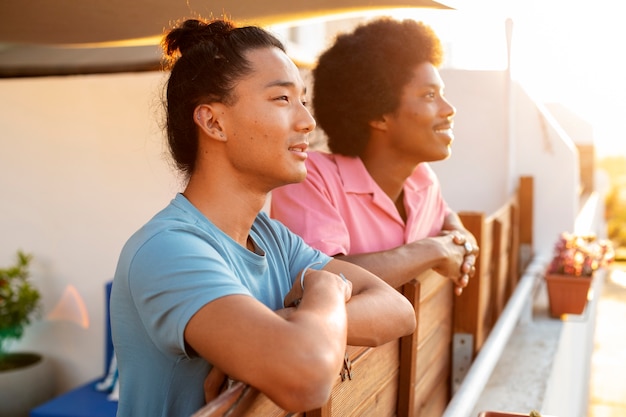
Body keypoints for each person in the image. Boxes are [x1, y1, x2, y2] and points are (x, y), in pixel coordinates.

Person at [109, 17, 416, 417]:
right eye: (282, 99)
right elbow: (304, 377)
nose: (307, 120)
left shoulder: (271, 238)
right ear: (214, 121)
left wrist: (290, 320)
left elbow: (397, 310)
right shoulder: (167, 250)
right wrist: (326, 289)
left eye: (302, 99)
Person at [271, 17, 478, 296]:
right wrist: (434, 250)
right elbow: (319, 279)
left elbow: (444, 214)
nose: (449, 108)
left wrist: (459, 232)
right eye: (430, 95)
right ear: (379, 114)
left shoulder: (422, 178)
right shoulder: (309, 177)